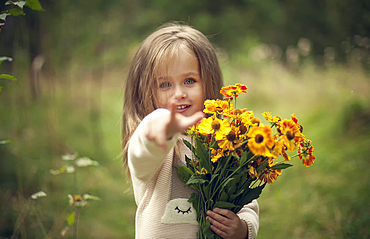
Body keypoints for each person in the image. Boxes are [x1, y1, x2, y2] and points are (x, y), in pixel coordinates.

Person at [122, 23, 259, 239]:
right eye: (165, 85)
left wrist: (242, 229)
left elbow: (246, 204)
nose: (179, 93)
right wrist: (160, 127)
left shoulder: (226, 144)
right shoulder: (157, 149)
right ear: (145, 93)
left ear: (209, 82)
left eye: (189, 81)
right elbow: (142, 150)